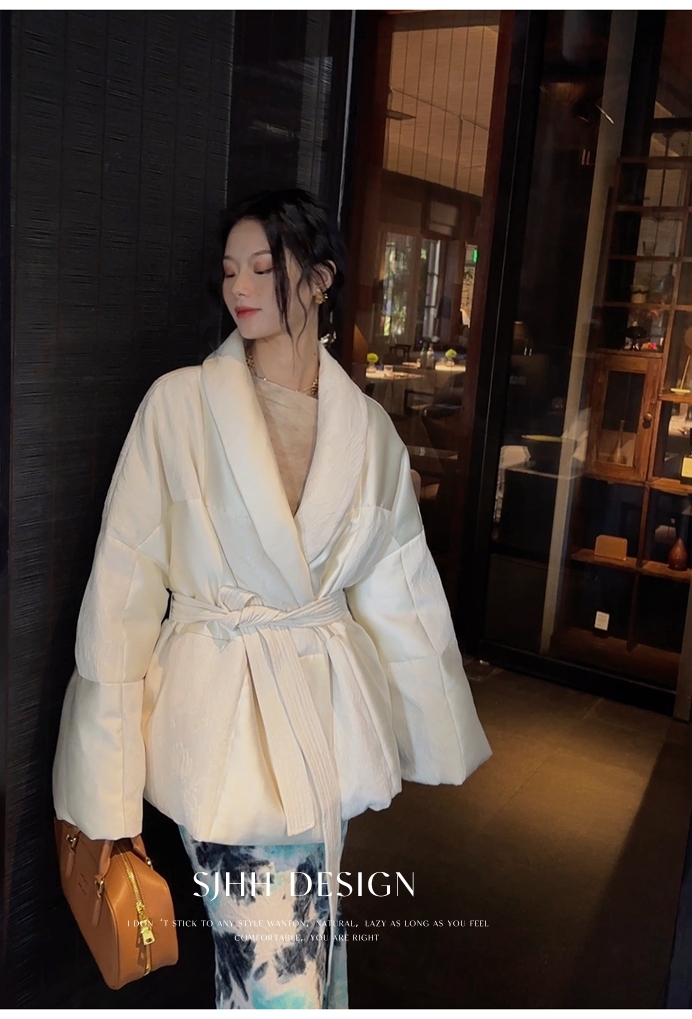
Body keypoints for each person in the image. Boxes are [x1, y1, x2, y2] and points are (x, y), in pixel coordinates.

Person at [52, 189, 492, 1009]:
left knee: (303, 951)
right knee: (277, 973)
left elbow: (400, 583)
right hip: (220, 720)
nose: (241, 287)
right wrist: (106, 778)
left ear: (320, 279)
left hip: (321, 720)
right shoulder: (179, 405)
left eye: (264, 267)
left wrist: (428, 726)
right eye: (230, 270)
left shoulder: (366, 430)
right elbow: (122, 589)